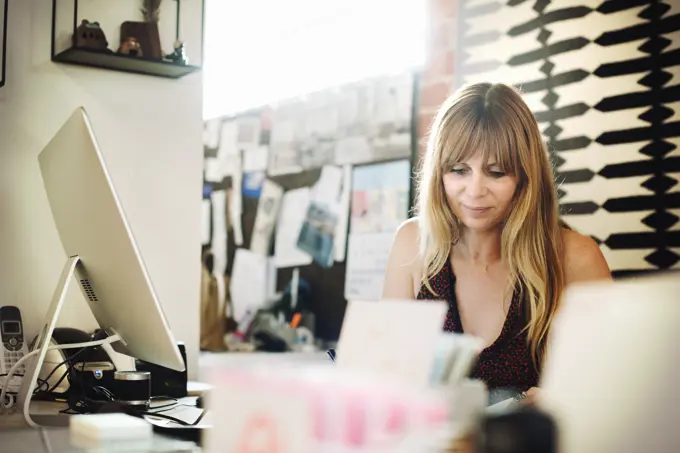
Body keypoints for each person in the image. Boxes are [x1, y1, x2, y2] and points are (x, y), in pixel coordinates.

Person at [382, 82, 611, 398]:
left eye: (497, 172)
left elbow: (609, 392)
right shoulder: (412, 243)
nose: (475, 191)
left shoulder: (574, 257)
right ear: (439, 173)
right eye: (459, 170)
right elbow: (385, 383)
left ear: (524, 178)